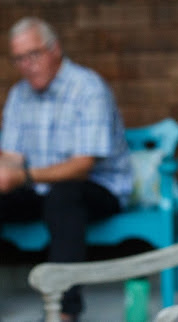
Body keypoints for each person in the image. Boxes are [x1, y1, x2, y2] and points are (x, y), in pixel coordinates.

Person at [0, 17, 133, 321]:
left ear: (54, 49)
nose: (27, 65)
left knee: (64, 195)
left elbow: (82, 166)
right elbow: (12, 157)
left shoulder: (88, 89)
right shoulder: (19, 95)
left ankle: (63, 311)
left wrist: (23, 176)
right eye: (19, 58)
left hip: (100, 189)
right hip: (40, 188)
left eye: (33, 55)